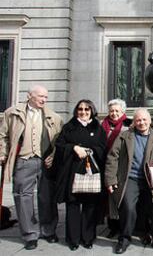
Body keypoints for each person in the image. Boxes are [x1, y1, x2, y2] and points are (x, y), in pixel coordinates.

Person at [0, 85, 63, 250]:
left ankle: (48, 231)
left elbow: (60, 140)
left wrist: (54, 156)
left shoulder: (54, 117)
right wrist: (2, 153)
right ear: (29, 96)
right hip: (23, 160)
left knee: (47, 197)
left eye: (46, 97)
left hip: (45, 161)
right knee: (22, 197)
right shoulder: (12, 113)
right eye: (40, 96)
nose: (44, 99)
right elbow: (3, 135)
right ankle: (29, 235)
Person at [105, 108, 153, 254]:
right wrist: (110, 180)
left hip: (151, 180)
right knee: (128, 207)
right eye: (138, 120)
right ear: (134, 122)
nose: (141, 123)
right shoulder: (125, 136)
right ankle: (125, 238)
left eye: (144, 120)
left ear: (149, 121)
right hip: (130, 178)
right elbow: (112, 158)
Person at [54, 99, 107, 251]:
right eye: (80, 109)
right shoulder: (69, 127)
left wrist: (90, 151)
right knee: (73, 205)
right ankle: (73, 239)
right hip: (71, 172)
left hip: (91, 173)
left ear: (92, 111)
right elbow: (60, 145)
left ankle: (88, 238)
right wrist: (74, 147)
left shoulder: (98, 128)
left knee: (90, 206)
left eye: (87, 109)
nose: (83, 112)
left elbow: (103, 147)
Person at [101, 99, 132, 238]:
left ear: (123, 112)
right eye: (111, 111)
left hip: (122, 166)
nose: (114, 113)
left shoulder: (129, 125)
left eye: (117, 111)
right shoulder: (103, 125)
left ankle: (123, 228)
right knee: (109, 198)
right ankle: (112, 226)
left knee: (122, 197)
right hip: (106, 166)